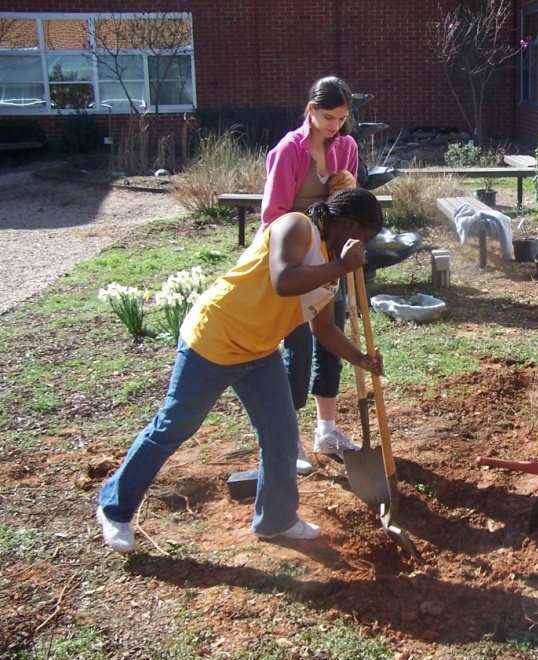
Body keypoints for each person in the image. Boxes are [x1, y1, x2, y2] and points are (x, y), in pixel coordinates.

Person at [96, 188, 384, 553]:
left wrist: (360, 358)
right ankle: (114, 508)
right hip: (214, 340)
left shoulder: (330, 264)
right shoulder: (298, 227)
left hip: (260, 351)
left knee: (280, 434)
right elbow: (284, 280)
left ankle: (276, 519)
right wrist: (342, 267)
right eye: (364, 238)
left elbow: (323, 328)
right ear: (348, 224)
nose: (364, 249)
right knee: (174, 426)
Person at [259, 75, 362, 475]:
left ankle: (327, 431)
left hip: (330, 260)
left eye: (341, 118)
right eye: (328, 117)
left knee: (331, 343)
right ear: (311, 110)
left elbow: (349, 207)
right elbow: (272, 217)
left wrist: (346, 195)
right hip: (296, 264)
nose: (335, 126)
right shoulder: (289, 151)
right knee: (298, 352)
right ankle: (288, 440)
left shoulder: (347, 147)